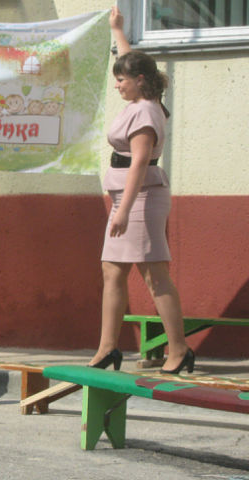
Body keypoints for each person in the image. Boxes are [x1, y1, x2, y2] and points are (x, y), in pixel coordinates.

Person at [88, 6, 194, 374]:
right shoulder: (141, 100)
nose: (117, 84)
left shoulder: (146, 112)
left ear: (140, 80)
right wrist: (118, 30)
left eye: (122, 80)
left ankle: (179, 350)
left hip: (141, 198)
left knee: (154, 274)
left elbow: (138, 163)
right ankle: (108, 348)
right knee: (112, 271)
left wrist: (121, 211)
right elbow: (131, 61)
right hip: (127, 196)